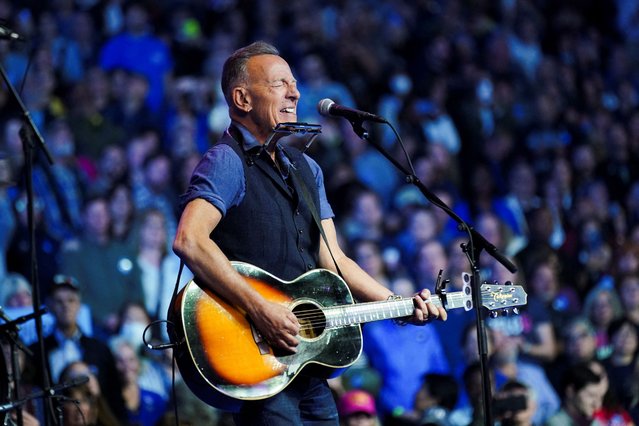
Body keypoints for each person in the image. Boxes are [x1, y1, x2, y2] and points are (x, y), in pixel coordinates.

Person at [172, 41, 447, 426]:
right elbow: (189, 240)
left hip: (305, 365)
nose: (295, 92)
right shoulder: (226, 161)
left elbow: (335, 261)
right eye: (279, 83)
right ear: (242, 98)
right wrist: (260, 308)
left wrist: (400, 305)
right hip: (257, 360)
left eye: (295, 83)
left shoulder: (307, 169)